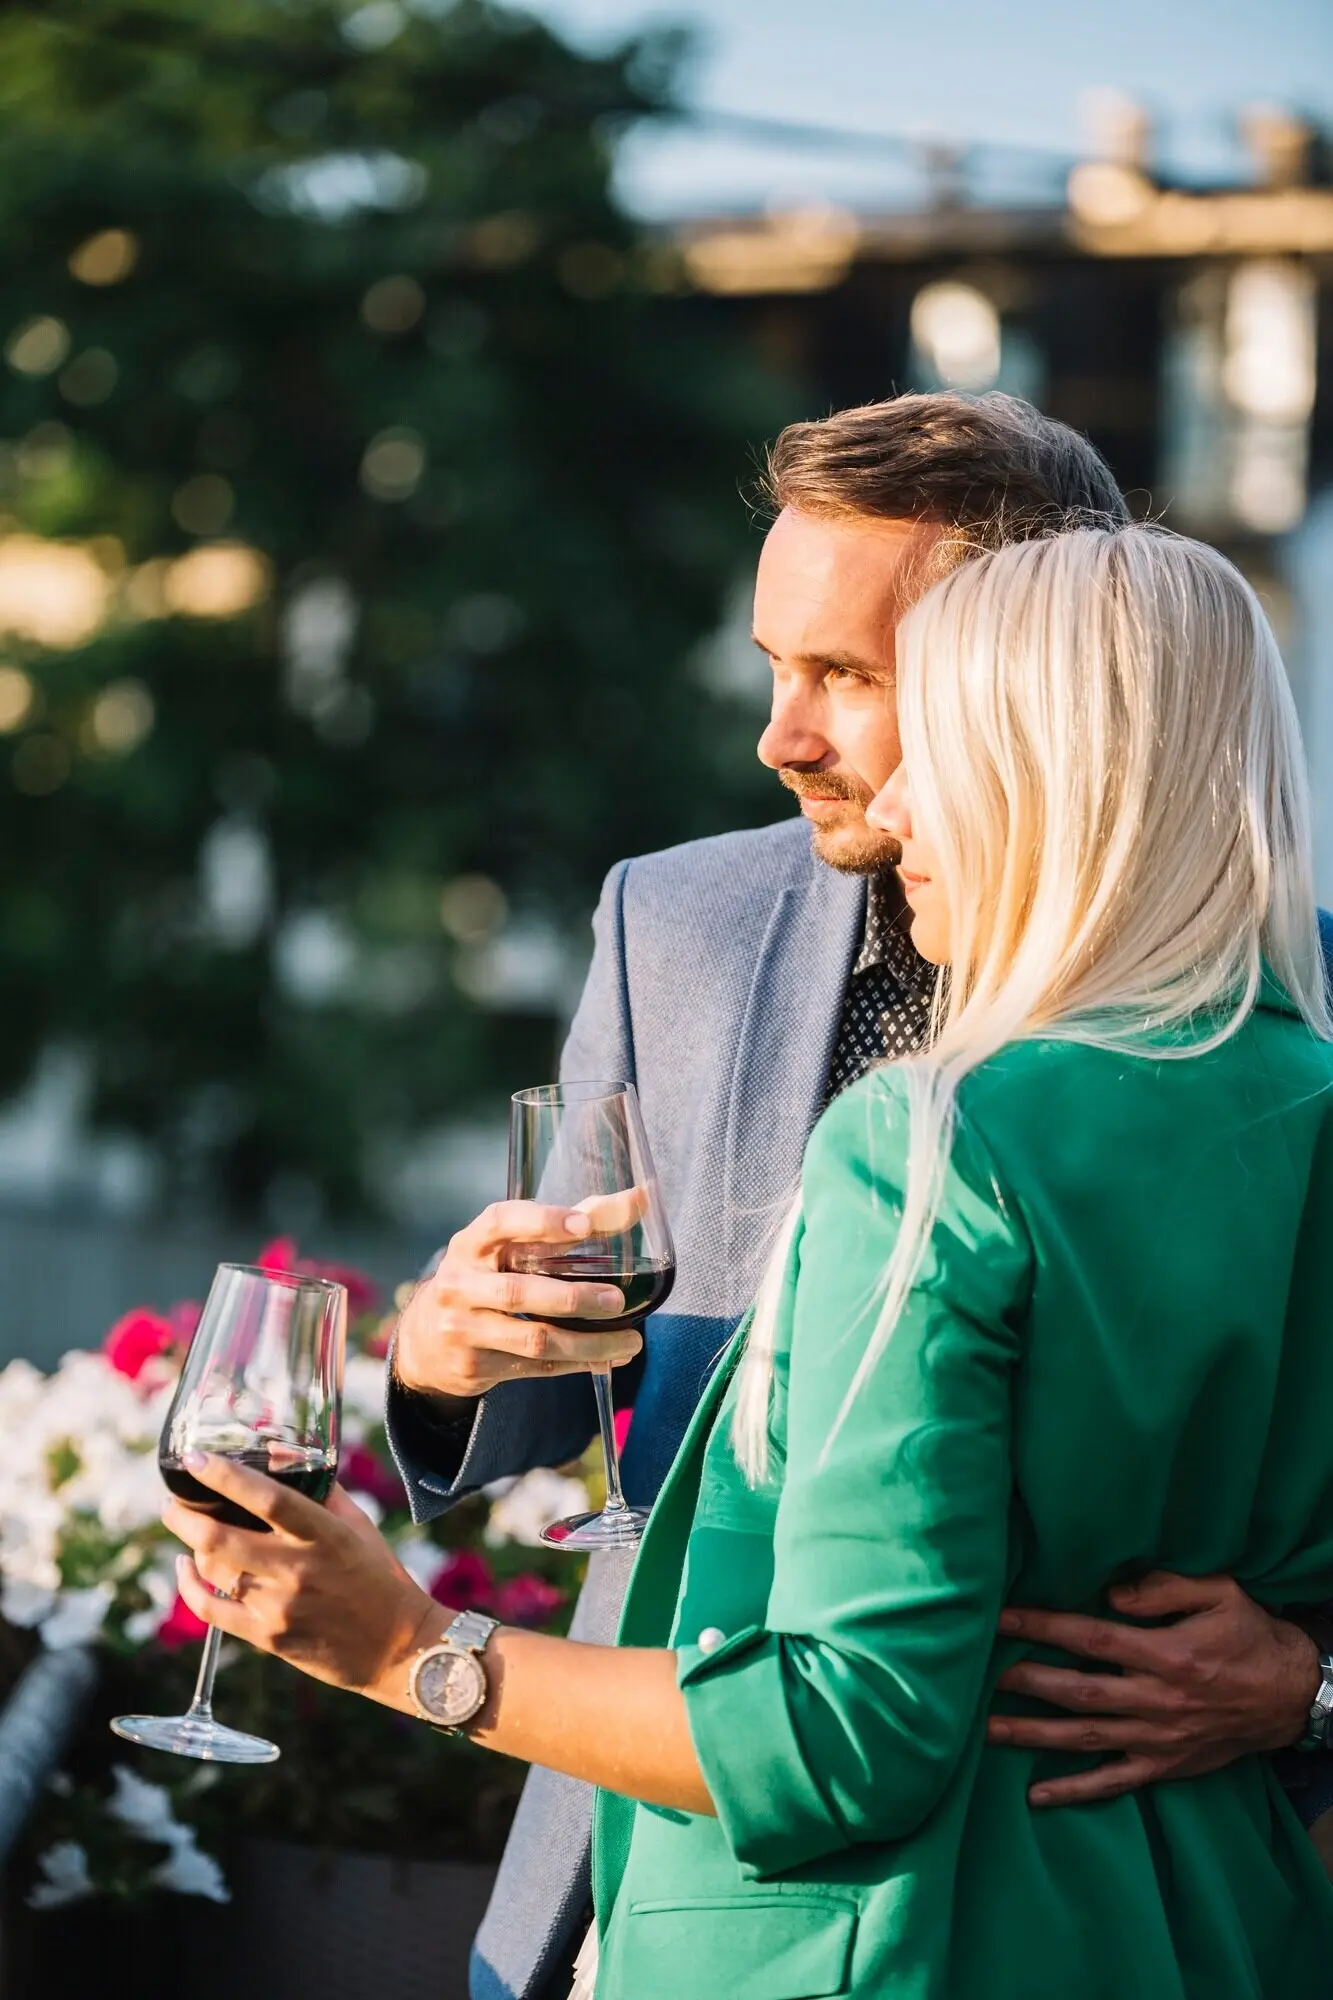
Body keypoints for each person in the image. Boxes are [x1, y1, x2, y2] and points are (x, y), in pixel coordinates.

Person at [169, 523, 1333, 1998]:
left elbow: (842, 1736)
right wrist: (446, 1362)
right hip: (1218, 1931)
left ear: (1059, 749)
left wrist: (404, 1645)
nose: (855, 778)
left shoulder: (929, 1141)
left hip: (861, 1941)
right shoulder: (1297, 1088)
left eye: (872, 686)